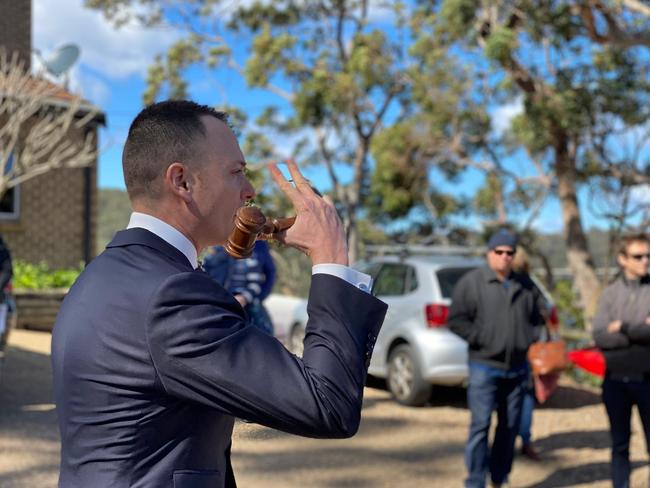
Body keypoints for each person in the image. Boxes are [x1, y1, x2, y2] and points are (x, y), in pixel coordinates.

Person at [51, 100, 387, 488]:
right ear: (182, 182)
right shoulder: (171, 295)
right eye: (236, 172)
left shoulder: (102, 275)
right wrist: (331, 259)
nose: (250, 190)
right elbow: (327, 404)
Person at [448, 229, 546, 488]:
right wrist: (483, 339)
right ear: (489, 253)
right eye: (498, 252)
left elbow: (540, 316)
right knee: (480, 426)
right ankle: (475, 481)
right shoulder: (472, 282)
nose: (504, 257)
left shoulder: (525, 284)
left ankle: (500, 478)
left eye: (509, 253)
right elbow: (456, 320)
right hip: (484, 367)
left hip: (517, 369)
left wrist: (529, 337)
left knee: (509, 427)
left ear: (514, 255)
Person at [593, 234, 650, 488]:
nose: (645, 261)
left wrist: (623, 327)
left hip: (648, 379)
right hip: (615, 381)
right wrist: (638, 331)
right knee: (619, 444)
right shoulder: (610, 295)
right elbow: (600, 336)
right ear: (622, 260)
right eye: (638, 256)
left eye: (648, 256)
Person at [203, 240, 276, 335]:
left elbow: (269, 273)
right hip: (220, 301)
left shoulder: (258, 247)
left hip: (249, 301)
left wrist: (257, 296)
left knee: (264, 333)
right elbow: (207, 270)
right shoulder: (220, 242)